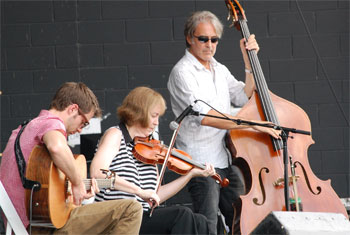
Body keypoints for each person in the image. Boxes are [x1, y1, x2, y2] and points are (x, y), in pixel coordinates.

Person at [167, 11, 281, 234]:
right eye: (203, 39)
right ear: (190, 38)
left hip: (225, 158)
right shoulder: (182, 72)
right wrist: (252, 125)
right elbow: (208, 117)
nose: (209, 45)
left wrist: (248, 60)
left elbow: (244, 95)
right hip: (199, 163)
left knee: (242, 218)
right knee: (208, 224)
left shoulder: (219, 69)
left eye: (214, 39)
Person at [0, 82, 143, 234]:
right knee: (131, 209)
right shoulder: (52, 123)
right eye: (83, 122)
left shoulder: (28, 128)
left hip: (31, 224)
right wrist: (77, 182)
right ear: (73, 109)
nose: (81, 129)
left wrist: (75, 190)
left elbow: (45, 189)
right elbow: (57, 147)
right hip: (41, 227)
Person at [90, 86, 215, 234]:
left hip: (143, 217)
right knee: (182, 215)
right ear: (138, 113)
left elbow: (157, 195)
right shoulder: (115, 135)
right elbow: (98, 173)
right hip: (120, 219)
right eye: (154, 115)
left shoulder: (150, 148)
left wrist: (189, 175)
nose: (156, 122)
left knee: (201, 222)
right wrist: (139, 191)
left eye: (158, 117)